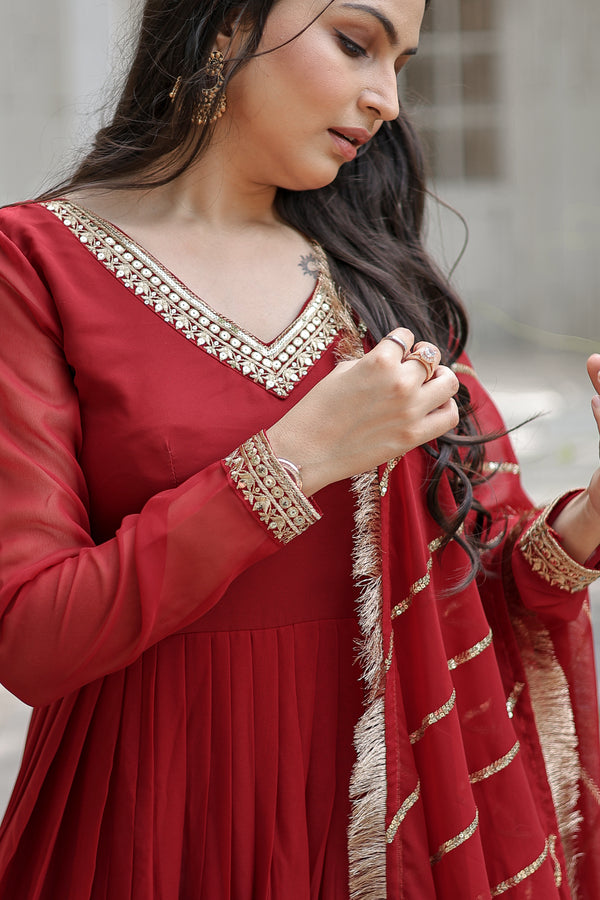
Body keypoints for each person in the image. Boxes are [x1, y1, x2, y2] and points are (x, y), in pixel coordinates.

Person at [0, 0, 599, 896]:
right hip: (153, 815)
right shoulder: (35, 264)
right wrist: (293, 460)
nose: (388, 99)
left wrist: (594, 516)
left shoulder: (384, 284)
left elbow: (492, 588)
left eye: (403, 64)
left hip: (384, 831)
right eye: (356, 44)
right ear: (227, 27)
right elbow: (33, 639)